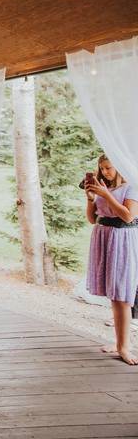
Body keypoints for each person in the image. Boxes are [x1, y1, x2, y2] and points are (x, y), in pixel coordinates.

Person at [85, 155, 138, 365]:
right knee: (113, 294)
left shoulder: (131, 187)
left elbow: (128, 217)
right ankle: (119, 343)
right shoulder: (102, 189)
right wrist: (90, 197)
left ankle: (125, 347)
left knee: (122, 293)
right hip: (104, 236)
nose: (105, 172)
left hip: (122, 238)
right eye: (102, 168)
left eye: (108, 168)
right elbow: (91, 219)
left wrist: (106, 195)